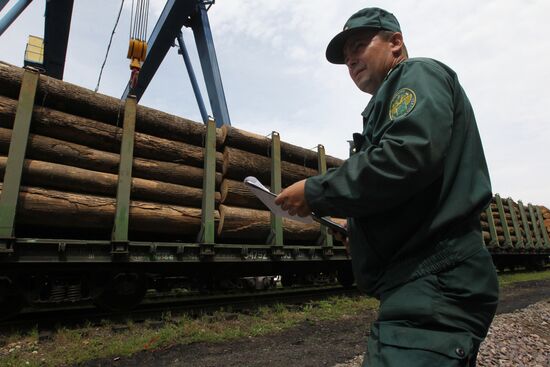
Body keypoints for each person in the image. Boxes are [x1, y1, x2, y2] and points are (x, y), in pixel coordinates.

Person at [274, 7, 499, 367]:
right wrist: (358, 229)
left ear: (395, 43)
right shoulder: (386, 103)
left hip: (435, 277)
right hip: (419, 282)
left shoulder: (417, 74)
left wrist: (315, 191)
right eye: (346, 58)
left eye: (359, 46)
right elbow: (408, 190)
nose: (350, 60)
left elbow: (408, 156)